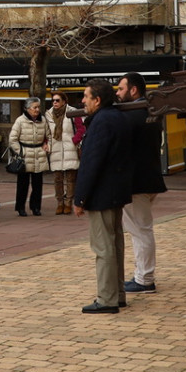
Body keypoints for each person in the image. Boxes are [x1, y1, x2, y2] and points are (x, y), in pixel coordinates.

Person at [73, 79, 134, 314]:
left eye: (86, 97)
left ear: (97, 100)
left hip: (102, 192)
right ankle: (116, 294)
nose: (83, 101)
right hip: (116, 190)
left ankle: (107, 298)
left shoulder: (101, 121)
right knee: (115, 243)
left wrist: (80, 198)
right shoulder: (117, 117)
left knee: (103, 247)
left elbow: (91, 163)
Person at [117, 72, 167, 295]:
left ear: (133, 90)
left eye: (120, 89)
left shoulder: (130, 115)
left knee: (140, 230)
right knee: (141, 229)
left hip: (136, 182)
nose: (118, 94)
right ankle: (142, 274)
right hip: (150, 178)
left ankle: (145, 278)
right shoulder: (152, 112)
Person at [8, 96, 49, 217]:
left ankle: (36, 207)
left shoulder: (43, 120)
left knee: (38, 184)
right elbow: (12, 139)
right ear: (28, 109)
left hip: (39, 154)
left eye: (38, 107)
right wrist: (21, 152)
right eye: (34, 107)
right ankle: (20, 207)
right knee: (22, 184)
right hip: (25, 155)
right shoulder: (20, 121)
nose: (37, 109)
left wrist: (47, 145)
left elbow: (49, 136)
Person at [46, 91, 81, 215]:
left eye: (57, 100)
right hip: (55, 149)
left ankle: (68, 203)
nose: (55, 102)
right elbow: (47, 133)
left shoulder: (72, 112)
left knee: (71, 179)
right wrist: (48, 145)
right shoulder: (48, 114)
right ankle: (59, 203)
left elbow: (81, 129)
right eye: (53, 100)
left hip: (70, 149)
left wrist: (74, 140)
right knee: (57, 179)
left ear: (64, 102)